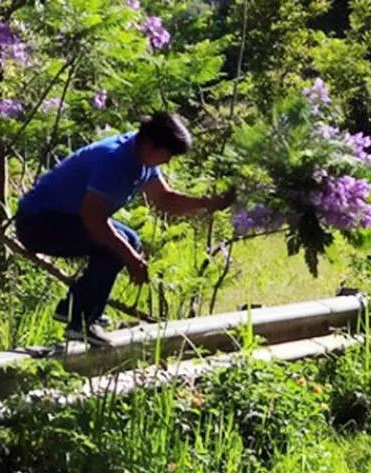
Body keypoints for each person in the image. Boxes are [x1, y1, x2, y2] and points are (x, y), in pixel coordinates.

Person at [15, 112, 235, 347]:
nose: (167, 162)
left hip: (65, 218)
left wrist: (208, 203)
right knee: (117, 247)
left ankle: (73, 308)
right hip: (38, 223)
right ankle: (81, 322)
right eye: (167, 154)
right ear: (151, 144)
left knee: (129, 240)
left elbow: (164, 200)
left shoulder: (140, 155)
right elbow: (93, 218)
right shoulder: (115, 161)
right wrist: (131, 259)